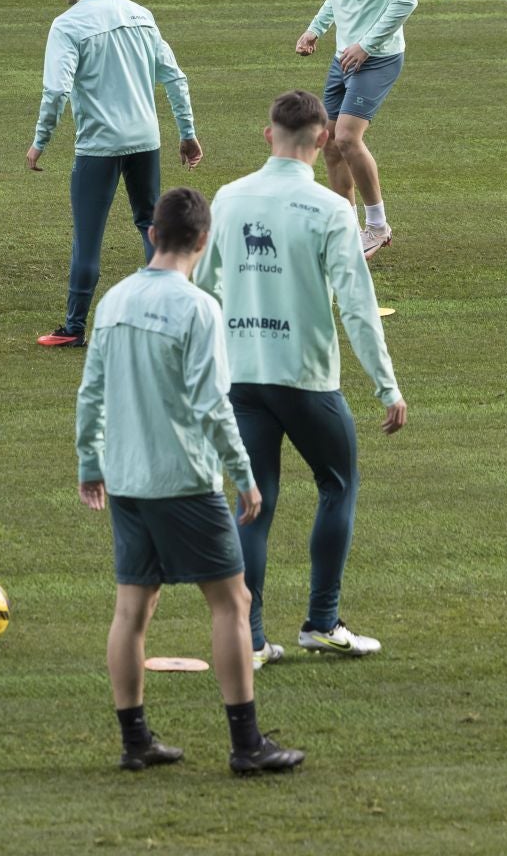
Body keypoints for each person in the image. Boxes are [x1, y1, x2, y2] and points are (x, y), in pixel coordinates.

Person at [75, 187, 305, 776]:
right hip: (184, 481)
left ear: (153, 234)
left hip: (126, 480)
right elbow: (212, 403)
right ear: (204, 241)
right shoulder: (199, 308)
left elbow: (92, 392)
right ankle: (247, 744)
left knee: (133, 609)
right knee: (232, 602)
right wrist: (244, 475)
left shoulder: (114, 301)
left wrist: (89, 463)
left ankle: (135, 743)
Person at [194, 90, 408, 666]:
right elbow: (358, 307)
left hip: (242, 379)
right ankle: (322, 621)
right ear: (321, 139)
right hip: (307, 379)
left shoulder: (230, 198)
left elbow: (204, 290)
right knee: (337, 485)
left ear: (268, 135)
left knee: (253, 502)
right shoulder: (332, 210)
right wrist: (386, 386)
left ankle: (252, 638)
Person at [27, 0, 200, 348]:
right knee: (151, 224)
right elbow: (174, 77)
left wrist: (40, 141)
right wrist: (187, 133)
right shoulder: (140, 13)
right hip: (146, 140)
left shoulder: (68, 25)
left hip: (99, 146)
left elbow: (55, 91)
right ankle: (170, 313)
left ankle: (73, 327)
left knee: (88, 235)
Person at [295, 0, 417, 260]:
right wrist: (315, 29)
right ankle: (346, 231)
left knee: (347, 137)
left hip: (376, 57)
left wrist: (366, 45)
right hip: (344, 55)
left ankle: (378, 227)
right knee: (329, 144)